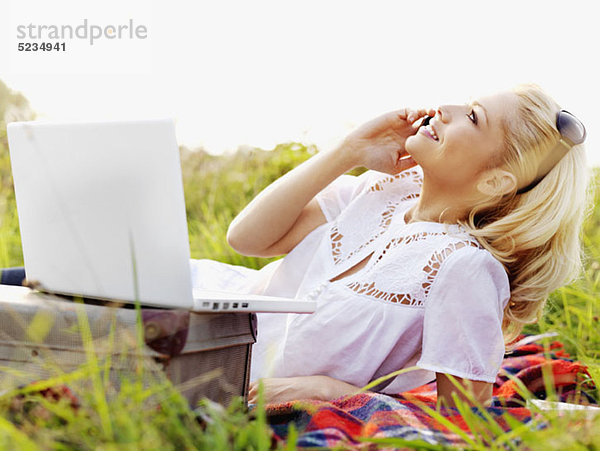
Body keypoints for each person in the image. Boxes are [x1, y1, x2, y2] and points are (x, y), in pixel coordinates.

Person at [190, 83, 591, 409]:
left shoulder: (464, 266)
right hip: (200, 312)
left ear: (495, 182)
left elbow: (463, 414)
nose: (445, 107)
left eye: (472, 117)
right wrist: (350, 150)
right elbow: (246, 239)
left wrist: (336, 392)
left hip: (216, 373)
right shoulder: (384, 189)